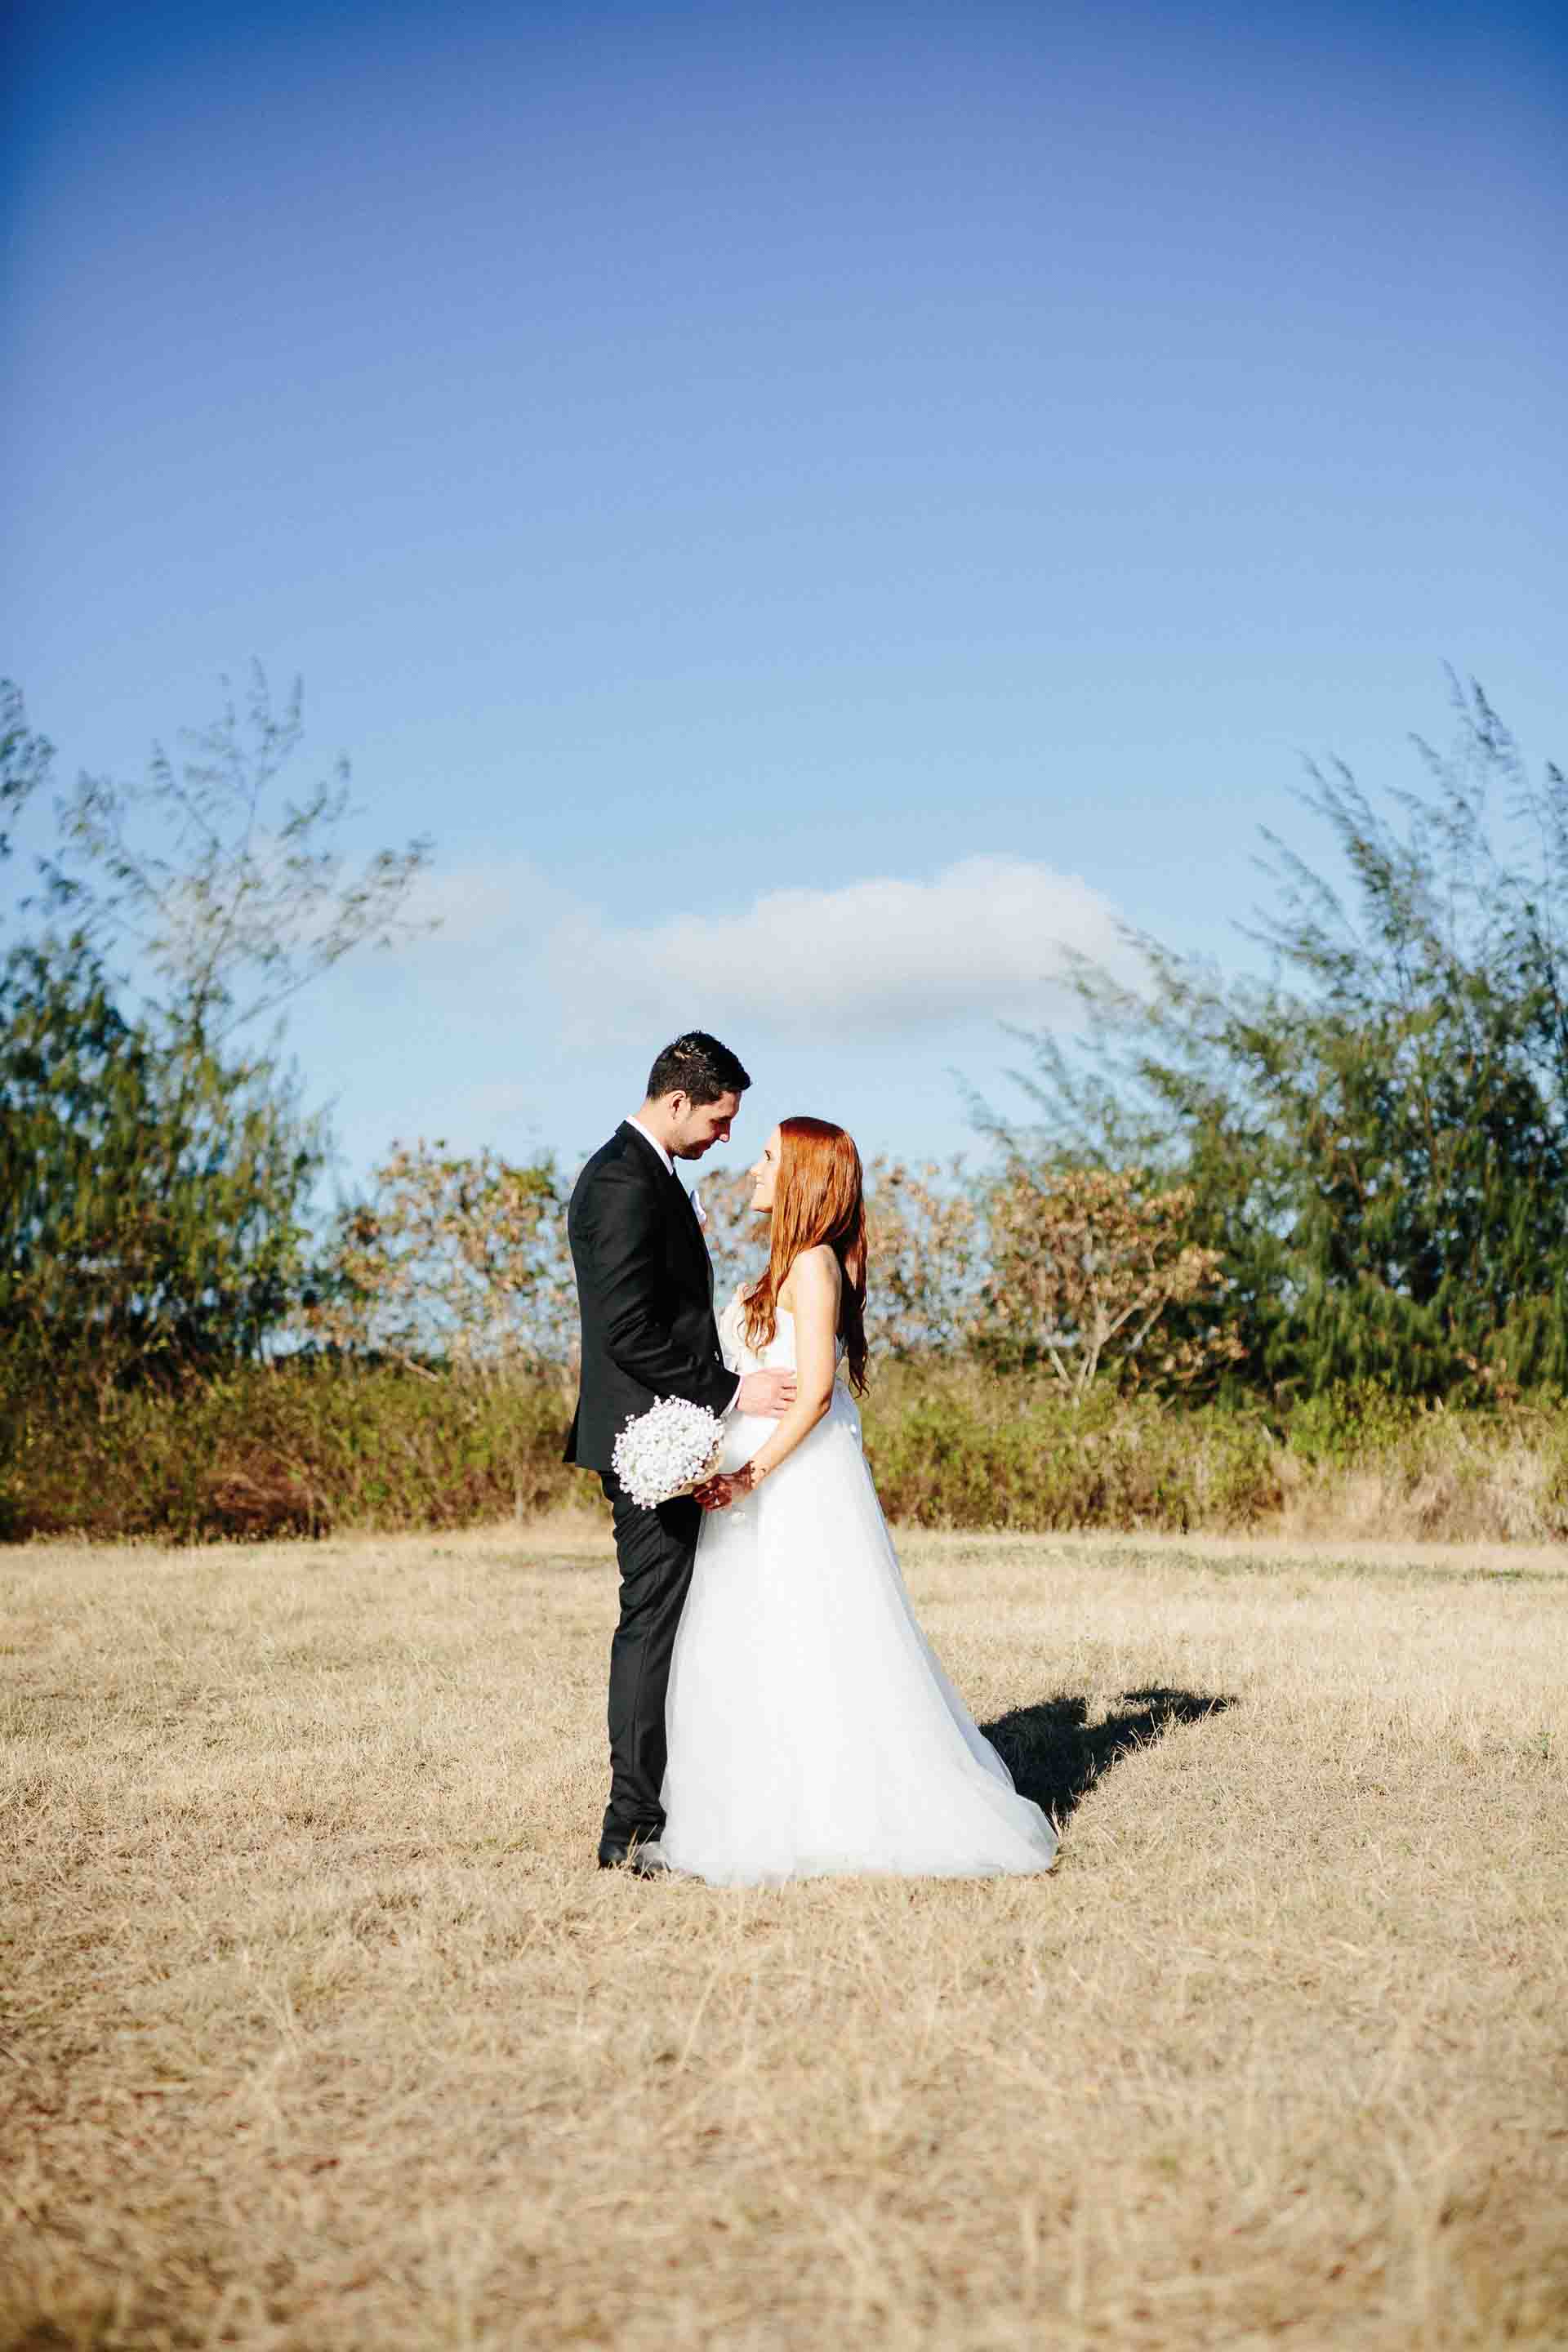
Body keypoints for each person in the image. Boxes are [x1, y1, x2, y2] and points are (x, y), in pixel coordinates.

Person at [657, 1116, 1059, 1885]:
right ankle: (757, 1803)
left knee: (813, 1635)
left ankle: (838, 1812)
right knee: (753, 1640)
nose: (752, 1170)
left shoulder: (813, 1265)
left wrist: (749, 1477)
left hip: (792, 1484)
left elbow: (812, 1395)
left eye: (768, 1158)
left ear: (802, 1177)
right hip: (750, 1478)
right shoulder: (777, 1272)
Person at [564, 1032, 796, 1873]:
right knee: (653, 1625)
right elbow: (628, 1332)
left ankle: (679, 1798)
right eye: (721, 1118)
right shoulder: (623, 1182)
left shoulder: (649, 1177)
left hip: (673, 1433)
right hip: (648, 1443)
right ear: (676, 1102)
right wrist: (733, 1391)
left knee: (677, 1621)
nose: (727, 1137)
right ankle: (630, 1824)